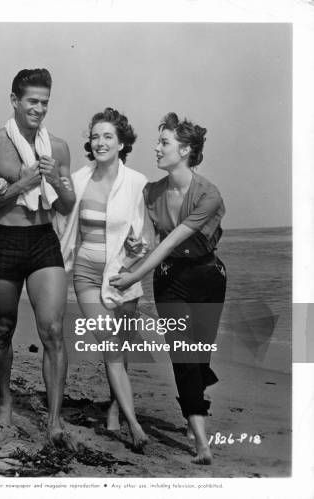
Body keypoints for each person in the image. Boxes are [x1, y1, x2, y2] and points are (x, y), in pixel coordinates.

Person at [0, 68, 76, 446]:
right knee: (3, 327)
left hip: (44, 240)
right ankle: (5, 400)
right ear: (14, 101)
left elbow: (67, 204)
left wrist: (55, 180)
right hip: (6, 241)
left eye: (45, 102)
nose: (39, 109)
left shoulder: (57, 148)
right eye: (32, 101)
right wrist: (22, 185)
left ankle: (55, 421)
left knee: (54, 332)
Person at [109, 112, 226, 465]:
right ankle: (201, 441)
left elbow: (172, 239)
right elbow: (147, 242)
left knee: (199, 354)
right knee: (184, 354)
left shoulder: (208, 194)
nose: (156, 148)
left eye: (164, 143)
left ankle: (198, 393)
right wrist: (124, 261)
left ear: (186, 150)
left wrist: (132, 278)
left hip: (208, 277)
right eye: (158, 142)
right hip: (169, 278)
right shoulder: (151, 192)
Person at [58, 108, 150, 451]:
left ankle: (115, 408)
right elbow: (58, 214)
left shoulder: (137, 183)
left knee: (120, 348)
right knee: (110, 344)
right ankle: (135, 425)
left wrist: (136, 254)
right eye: (95, 136)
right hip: (85, 274)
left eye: (108, 136)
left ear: (121, 142)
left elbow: (144, 239)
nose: (100, 142)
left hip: (122, 277)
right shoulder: (79, 179)